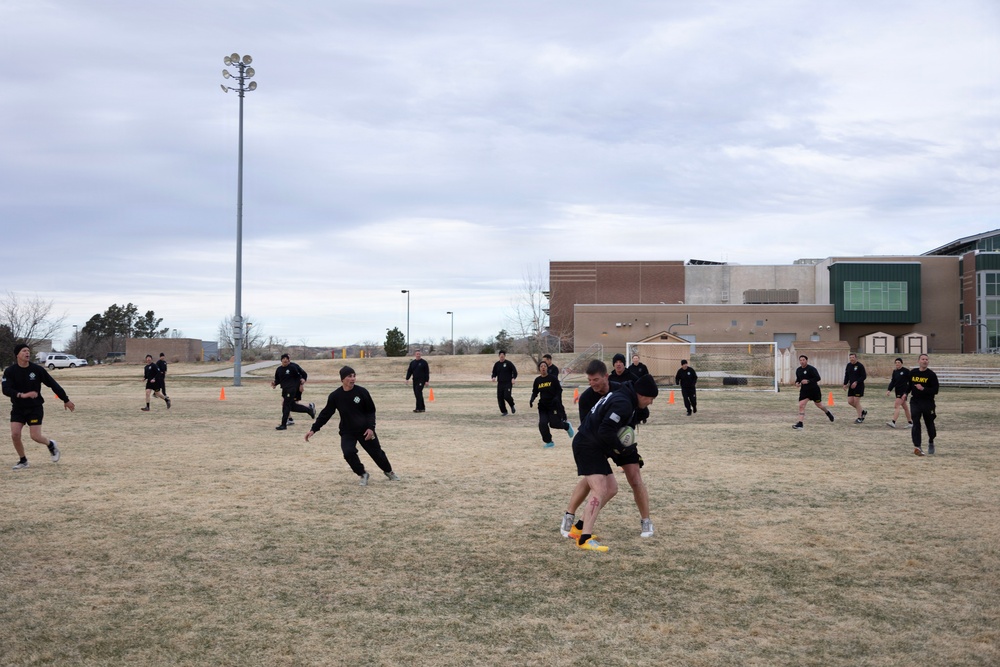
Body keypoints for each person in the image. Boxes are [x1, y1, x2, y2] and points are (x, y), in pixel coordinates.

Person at [561, 359, 655, 540]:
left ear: (606, 376)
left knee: (634, 477)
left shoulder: (622, 390)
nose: (592, 384)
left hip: (620, 440)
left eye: (595, 379)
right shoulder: (588, 398)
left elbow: (639, 402)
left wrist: (640, 413)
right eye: (589, 380)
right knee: (595, 481)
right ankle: (571, 517)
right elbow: (592, 428)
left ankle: (646, 521)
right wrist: (612, 447)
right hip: (598, 441)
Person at [305, 366, 401, 486]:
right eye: (349, 376)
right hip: (347, 431)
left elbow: (371, 411)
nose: (353, 378)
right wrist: (313, 429)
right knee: (348, 452)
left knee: (377, 453)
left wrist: (371, 428)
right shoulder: (335, 396)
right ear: (342, 379)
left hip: (365, 430)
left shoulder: (362, 392)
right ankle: (362, 474)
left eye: (354, 376)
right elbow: (325, 414)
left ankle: (389, 471)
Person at [2, 342, 75, 470]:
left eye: (28, 351)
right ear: (17, 355)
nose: (27, 353)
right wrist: (21, 395)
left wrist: (66, 399)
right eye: (24, 351)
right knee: (15, 434)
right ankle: (23, 460)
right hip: (18, 408)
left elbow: (53, 384)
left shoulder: (37, 370)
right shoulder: (10, 371)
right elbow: (6, 389)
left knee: (35, 436)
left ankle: (51, 445)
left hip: (35, 408)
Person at [529, 360, 574, 448]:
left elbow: (559, 390)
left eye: (545, 366)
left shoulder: (553, 378)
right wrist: (532, 399)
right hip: (543, 406)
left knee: (554, 424)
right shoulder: (537, 380)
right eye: (541, 366)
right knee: (542, 423)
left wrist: (557, 398)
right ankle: (549, 442)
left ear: (547, 368)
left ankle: (567, 426)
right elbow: (535, 391)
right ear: (539, 369)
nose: (543, 368)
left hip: (553, 405)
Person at [271, 354, 315, 430]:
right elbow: (278, 380)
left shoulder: (293, 367)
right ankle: (308, 410)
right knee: (291, 406)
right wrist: (274, 383)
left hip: (292, 389)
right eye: (283, 359)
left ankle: (284, 424)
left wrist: (302, 383)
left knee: (286, 405)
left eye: (286, 359)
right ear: (281, 360)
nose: (285, 360)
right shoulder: (279, 369)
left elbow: (301, 376)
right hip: (284, 389)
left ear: (289, 360)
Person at [908, 354, 939, 456]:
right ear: (918, 361)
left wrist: (923, 389)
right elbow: (909, 386)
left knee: (929, 424)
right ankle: (918, 446)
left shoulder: (931, 375)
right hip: (915, 402)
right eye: (923, 359)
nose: (925, 361)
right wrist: (904, 394)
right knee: (916, 423)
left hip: (928, 403)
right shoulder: (913, 373)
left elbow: (935, 390)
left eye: (926, 359)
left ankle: (931, 440)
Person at [792, 354, 834, 429]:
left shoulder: (811, 369)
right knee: (801, 405)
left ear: (807, 360)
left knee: (819, 405)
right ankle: (800, 424)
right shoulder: (798, 370)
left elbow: (818, 378)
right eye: (800, 360)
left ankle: (827, 412)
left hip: (814, 390)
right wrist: (797, 383)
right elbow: (798, 379)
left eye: (803, 360)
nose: (802, 362)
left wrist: (808, 381)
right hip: (804, 391)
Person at [885, 358, 913, 429]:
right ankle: (910, 422)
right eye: (896, 362)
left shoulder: (906, 371)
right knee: (905, 407)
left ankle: (893, 422)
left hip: (903, 391)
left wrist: (907, 391)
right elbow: (893, 382)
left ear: (901, 363)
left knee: (896, 405)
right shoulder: (895, 372)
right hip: (897, 391)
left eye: (899, 362)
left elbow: (911, 380)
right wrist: (889, 390)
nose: (897, 364)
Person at [542, 353, 568, 422]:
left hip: (556, 389)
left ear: (549, 360)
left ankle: (563, 417)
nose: (544, 362)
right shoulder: (545, 368)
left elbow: (553, 378)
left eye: (545, 361)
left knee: (558, 403)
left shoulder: (554, 368)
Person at [490, 350, 517, 416]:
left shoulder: (508, 363)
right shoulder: (497, 364)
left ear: (504, 356)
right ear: (499, 356)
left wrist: (513, 378)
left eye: (503, 356)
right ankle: (504, 411)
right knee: (500, 397)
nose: (502, 357)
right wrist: (493, 377)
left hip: (508, 383)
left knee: (507, 396)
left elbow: (515, 372)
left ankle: (512, 405)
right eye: (500, 356)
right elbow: (494, 372)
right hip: (500, 383)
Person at [843, 352, 868, 424]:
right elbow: (847, 375)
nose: (851, 359)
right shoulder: (848, 365)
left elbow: (864, 376)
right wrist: (845, 383)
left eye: (853, 357)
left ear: (856, 358)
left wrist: (856, 382)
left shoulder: (860, 366)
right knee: (850, 401)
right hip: (851, 386)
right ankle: (862, 412)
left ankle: (860, 418)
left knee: (856, 402)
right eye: (850, 358)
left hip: (859, 386)